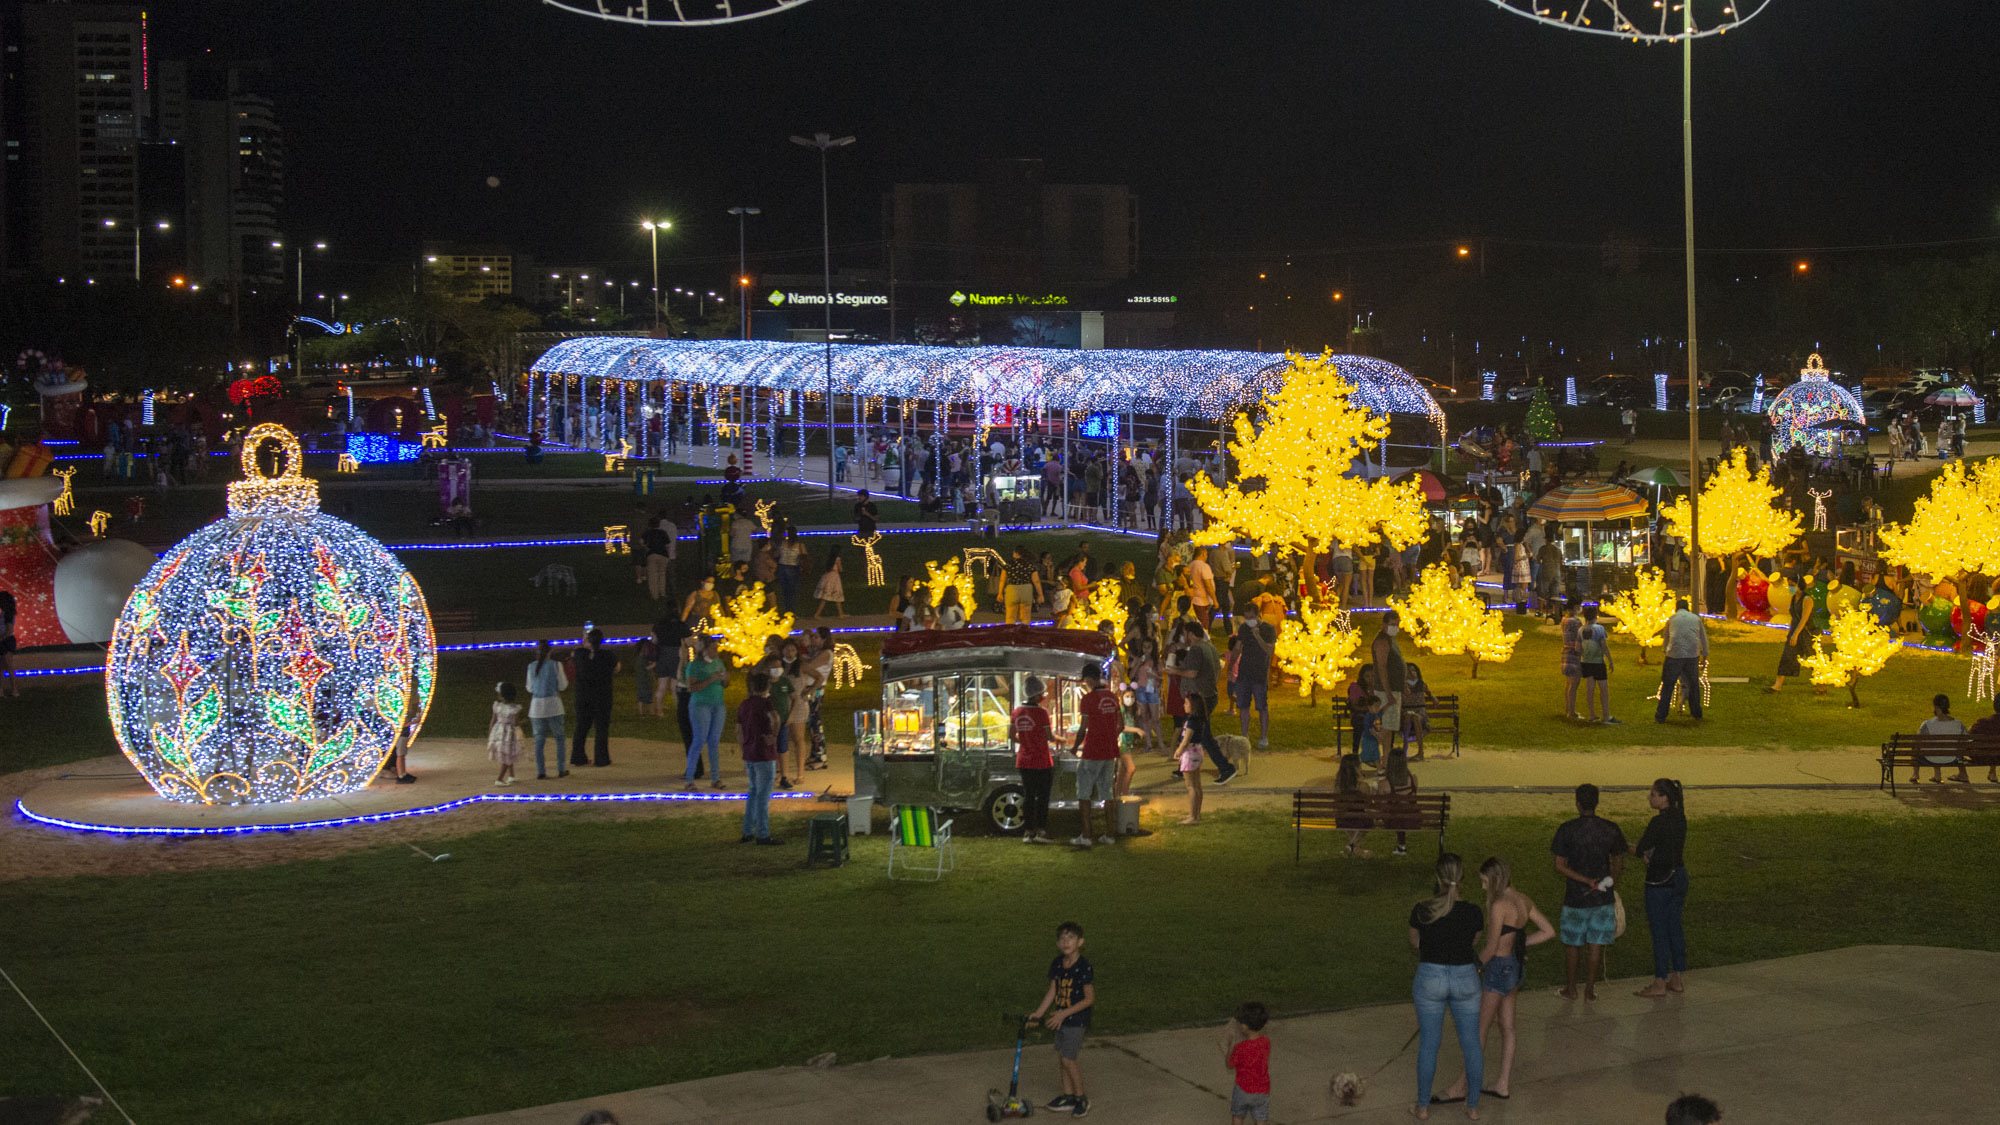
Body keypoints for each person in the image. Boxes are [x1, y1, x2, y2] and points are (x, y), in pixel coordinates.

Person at [1439, 857, 1554, 1106]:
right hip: (1514, 969)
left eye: (1484, 882)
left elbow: (1490, 948)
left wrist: (1470, 968)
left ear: (1494, 879)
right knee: (1508, 1027)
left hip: (1498, 969)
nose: (1482, 887)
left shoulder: (1500, 905)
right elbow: (1548, 931)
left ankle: (1461, 1086)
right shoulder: (1522, 899)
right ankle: (1502, 1083)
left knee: (1479, 1030)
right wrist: (1521, 944)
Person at [1408, 852, 1484, 1121]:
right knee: (1471, 1043)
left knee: (1429, 1043)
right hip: (1465, 978)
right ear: (1461, 878)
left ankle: (1423, 1107)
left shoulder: (1422, 909)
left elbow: (1415, 942)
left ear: (1437, 877)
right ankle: (1472, 1106)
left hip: (1430, 977)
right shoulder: (1474, 912)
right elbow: (1473, 942)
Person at [1551, 782, 1629, 1000]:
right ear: (1597, 802)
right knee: (1595, 943)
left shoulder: (1566, 829)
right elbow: (1618, 862)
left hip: (1575, 897)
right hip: (1602, 897)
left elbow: (1559, 865)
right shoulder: (1610, 828)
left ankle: (1571, 988)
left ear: (1577, 803)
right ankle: (1590, 989)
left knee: (1572, 944)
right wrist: (1608, 882)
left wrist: (1585, 880)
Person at [1029, 921, 1096, 1118]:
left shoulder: (1083, 967)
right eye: (1062, 938)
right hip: (1061, 1018)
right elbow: (1053, 991)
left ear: (1080, 942)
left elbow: (1089, 998)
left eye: (1071, 937)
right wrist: (1038, 1013)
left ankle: (1081, 1098)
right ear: (1058, 944)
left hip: (1076, 1020)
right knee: (1061, 1058)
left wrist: (1063, 1014)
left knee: (1068, 1059)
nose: (1066, 941)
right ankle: (1068, 1096)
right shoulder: (1057, 963)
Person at [1635, 778, 1690, 998]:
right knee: (1674, 927)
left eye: (1653, 795)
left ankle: (1659, 980)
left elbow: (1641, 848)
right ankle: (1677, 977)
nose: (1650, 798)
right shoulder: (1681, 818)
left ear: (1664, 797)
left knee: (1659, 931)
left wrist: (1644, 853)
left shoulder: (1657, 823)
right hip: (1680, 876)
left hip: (1660, 881)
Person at [1172, 621, 1239, 785]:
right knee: (1194, 732)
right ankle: (1184, 767)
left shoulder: (1196, 649)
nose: (1184, 637)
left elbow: (1192, 673)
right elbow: (1216, 671)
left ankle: (1226, 768)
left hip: (1198, 699)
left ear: (1191, 634)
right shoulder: (1211, 648)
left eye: (1185, 633)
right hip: (1208, 695)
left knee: (1203, 735)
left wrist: (1174, 670)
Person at [1068, 666, 1124, 846]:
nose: (1084, 684)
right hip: (1110, 752)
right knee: (1107, 792)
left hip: (1092, 751)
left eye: (1085, 680)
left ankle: (1086, 836)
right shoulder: (1113, 697)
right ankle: (1110, 834)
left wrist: (1075, 746)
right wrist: (1110, 737)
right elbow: (1120, 725)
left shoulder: (1088, 699)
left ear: (1089, 679)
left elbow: (1083, 727)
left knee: (1084, 793)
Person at [737, 670, 783, 845]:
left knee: (753, 792)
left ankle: (747, 831)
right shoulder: (765, 703)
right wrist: (774, 735)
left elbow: (738, 730)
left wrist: (744, 749)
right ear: (767, 687)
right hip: (764, 753)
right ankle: (763, 834)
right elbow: (776, 719)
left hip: (750, 754)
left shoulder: (744, 704)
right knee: (763, 795)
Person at [1012, 678, 1055, 843]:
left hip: (1024, 760)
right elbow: (1049, 737)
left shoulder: (1017, 712)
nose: (1043, 695)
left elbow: (1011, 735)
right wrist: (1058, 738)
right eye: (1042, 693)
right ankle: (1041, 831)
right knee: (1043, 797)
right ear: (1037, 694)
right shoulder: (1042, 713)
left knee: (1028, 796)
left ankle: (1027, 832)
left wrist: (1025, 739)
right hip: (1042, 760)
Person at [570, 628, 620, 768]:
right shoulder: (608, 655)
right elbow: (617, 668)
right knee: (601, 729)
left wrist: (584, 643)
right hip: (602, 697)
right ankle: (601, 758)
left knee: (581, 727)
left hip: (583, 697)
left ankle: (578, 757)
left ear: (588, 641)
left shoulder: (579, 654)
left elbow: (574, 653)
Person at [683, 637, 728, 787]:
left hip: (718, 704)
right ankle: (689, 779)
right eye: (713, 648)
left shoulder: (719, 663)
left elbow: (725, 684)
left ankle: (715, 778)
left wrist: (725, 678)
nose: (716, 651)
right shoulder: (694, 666)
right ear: (705, 649)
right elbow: (691, 688)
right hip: (700, 705)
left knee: (714, 742)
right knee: (699, 740)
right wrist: (710, 679)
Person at [1656, 598, 1709, 723]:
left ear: (1676, 608)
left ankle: (1661, 715)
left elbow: (1667, 637)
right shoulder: (1696, 619)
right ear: (1687, 608)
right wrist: (1704, 654)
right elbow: (1703, 638)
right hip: (1692, 654)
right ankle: (1696, 712)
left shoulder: (1672, 619)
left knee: (1668, 685)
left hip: (1674, 654)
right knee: (1693, 684)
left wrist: (1666, 650)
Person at [1220, 1001, 1271, 1125]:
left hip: (1243, 1089)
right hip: (1262, 1090)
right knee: (1260, 1117)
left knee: (1238, 1116)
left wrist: (1231, 1046)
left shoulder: (1241, 1047)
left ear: (1245, 1026)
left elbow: (1230, 1064)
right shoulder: (1266, 1042)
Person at [525, 639, 570, 780]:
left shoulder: (531, 667)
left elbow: (530, 688)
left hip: (536, 708)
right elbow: (563, 685)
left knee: (539, 741)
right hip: (554, 706)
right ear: (550, 652)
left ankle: (540, 771)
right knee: (559, 738)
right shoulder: (556, 665)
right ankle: (561, 769)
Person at [1234, 611, 1275, 748]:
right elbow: (1238, 647)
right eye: (1246, 617)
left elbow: (1269, 651)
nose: (1248, 620)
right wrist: (1231, 665)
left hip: (1259, 674)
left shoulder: (1268, 629)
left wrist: (1258, 636)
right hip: (1244, 673)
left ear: (1259, 616)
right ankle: (1245, 736)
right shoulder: (1244, 628)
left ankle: (1264, 737)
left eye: (1251, 617)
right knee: (1243, 706)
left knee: (1262, 706)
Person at [1766, 571, 1811, 693]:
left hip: (1807, 633)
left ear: (1798, 584)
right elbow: (1794, 617)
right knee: (1787, 656)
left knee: (1813, 659)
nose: (1790, 587)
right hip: (1795, 630)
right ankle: (1777, 685)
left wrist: (1796, 634)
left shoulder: (1807, 599)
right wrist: (1792, 632)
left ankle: (1822, 686)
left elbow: (1804, 618)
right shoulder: (1793, 599)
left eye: (1792, 585)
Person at [1915, 692, 1967, 784]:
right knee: (1957, 748)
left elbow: (1918, 741)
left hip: (1931, 758)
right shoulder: (1958, 724)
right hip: (1952, 758)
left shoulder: (1927, 724)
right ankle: (1963, 773)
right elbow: (1965, 740)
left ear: (1935, 707)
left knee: (1918, 747)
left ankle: (1916, 774)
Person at [1577, 605, 1617, 724]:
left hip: (1586, 662)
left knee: (1590, 688)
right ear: (1595, 616)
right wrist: (1610, 660)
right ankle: (1606, 716)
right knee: (1603, 689)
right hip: (1598, 662)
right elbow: (1604, 646)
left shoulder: (1581, 630)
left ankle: (1592, 715)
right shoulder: (1599, 629)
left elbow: (1578, 648)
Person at [1377, 748, 1419, 857]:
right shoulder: (1413, 779)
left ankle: (1401, 845)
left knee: (1396, 813)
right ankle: (1401, 845)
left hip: (1393, 821)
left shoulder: (1384, 784)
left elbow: (1381, 806)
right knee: (1402, 812)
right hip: (1413, 818)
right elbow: (1414, 799)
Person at [1372, 610, 1407, 740]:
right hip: (1386, 691)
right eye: (1392, 624)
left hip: (1394, 688)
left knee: (1390, 728)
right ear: (1384, 624)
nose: (1395, 627)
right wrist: (1388, 694)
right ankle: (1386, 757)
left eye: (1397, 624)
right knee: (1386, 727)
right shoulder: (1382, 641)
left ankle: (1387, 755)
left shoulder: (1391, 639)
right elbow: (1382, 668)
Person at [488, 682, 524, 786]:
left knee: (507, 753)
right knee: (508, 754)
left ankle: (511, 775)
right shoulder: (514, 709)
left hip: (498, 732)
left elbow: (493, 720)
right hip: (509, 734)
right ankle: (499, 779)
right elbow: (516, 723)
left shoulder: (497, 706)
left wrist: (491, 732)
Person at [1003, 545, 1042, 625]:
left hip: (1012, 589)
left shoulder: (1009, 564)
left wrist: (1000, 593)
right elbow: (1036, 581)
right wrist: (1040, 594)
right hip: (1026, 589)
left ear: (1016, 554)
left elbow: (1002, 580)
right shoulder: (1029, 565)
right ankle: (1025, 633)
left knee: (1010, 616)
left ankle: (1010, 634)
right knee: (1026, 617)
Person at [1966, 695, 2000, 783]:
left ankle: (1992, 772)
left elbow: (1969, 733)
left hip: (1982, 757)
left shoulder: (1983, 723)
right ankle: (1992, 771)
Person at [811, 548, 846, 619]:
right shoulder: (837, 559)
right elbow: (840, 569)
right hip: (834, 577)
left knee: (825, 597)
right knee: (836, 595)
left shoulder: (828, 558)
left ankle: (840, 614)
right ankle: (840, 614)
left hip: (827, 577)